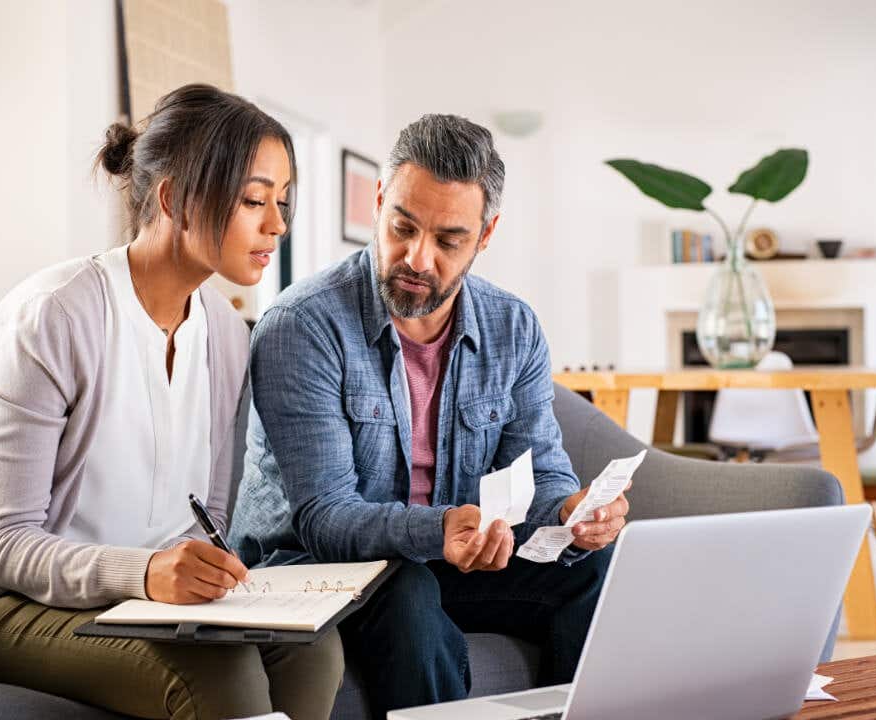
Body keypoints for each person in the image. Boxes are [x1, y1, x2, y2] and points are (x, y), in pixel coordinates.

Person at [0, 84, 344, 720]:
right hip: (4, 604)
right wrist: (145, 573)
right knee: (221, 675)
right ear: (173, 197)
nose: (277, 225)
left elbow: (209, 513)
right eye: (254, 200)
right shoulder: (53, 315)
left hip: (140, 601)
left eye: (282, 202)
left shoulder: (229, 335)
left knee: (314, 649)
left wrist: (211, 576)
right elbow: (3, 543)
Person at [229, 113, 631, 717]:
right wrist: (441, 530)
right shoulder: (303, 326)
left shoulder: (513, 327)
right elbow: (322, 517)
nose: (417, 258)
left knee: (595, 569)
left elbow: (542, 474)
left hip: (446, 555)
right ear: (380, 201)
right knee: (409, 589)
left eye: (448, 241)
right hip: (312, 568)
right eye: (403, 227)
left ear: (485, 234)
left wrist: (573, 512)